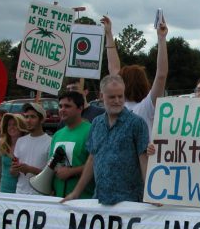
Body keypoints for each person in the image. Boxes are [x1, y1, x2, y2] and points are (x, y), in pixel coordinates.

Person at [62, 75, 149, 205]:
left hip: (129, 202)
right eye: (112, 97)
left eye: (120, 96)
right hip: (100, 200)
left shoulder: (137, 123)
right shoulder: (96, 123)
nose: (117, 100)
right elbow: (92, 158)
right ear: (102, 96)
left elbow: (144, 159)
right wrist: (76, 193)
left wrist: (150, 195)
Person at [104, 13, 168, 135]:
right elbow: (161, 74)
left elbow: (161, 75)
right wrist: (161, 39)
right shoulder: (145, 107)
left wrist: (109, 34)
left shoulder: (146, 106)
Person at [49, 91, 94, 198]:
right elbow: (51, 164)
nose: (62, 110)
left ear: (80, 108)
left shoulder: (91, 130)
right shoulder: (57, 135)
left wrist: (71, 172)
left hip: (83, 200)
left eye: (67, 106)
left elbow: (97, 164)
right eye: (60, 106)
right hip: (58, 200)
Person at [12, 102, 52, 194]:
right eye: (26, 117)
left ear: (41, 120)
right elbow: (14, 173)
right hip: (20, 193)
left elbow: (51, 175)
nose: (28, 120)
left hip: (39, 196)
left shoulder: (50, 142)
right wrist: (14, 169)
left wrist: (30, 169)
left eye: (33, 117)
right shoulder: (20, 141)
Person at [0, 113, 29, 193]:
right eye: (9, 125)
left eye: (15, 124)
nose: (11, 127)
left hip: (21, 190)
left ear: (21, 126)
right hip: (4, 188)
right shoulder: (3, 143)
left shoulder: (28, 144)